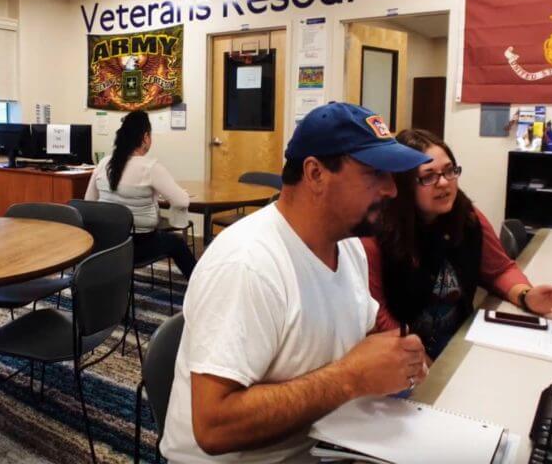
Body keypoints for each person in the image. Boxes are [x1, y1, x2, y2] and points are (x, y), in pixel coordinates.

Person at [159, 102, 431, 463]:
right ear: (316, 173)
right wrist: (351, 378)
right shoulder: (248, 264)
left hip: (322, 445)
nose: (391, 190)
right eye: (374, 173)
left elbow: (348, 339)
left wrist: (393, 359)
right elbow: (213, 427)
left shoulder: (349, 247)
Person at [364, 129, 552, 361]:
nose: (444, 183)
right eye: (428, 176)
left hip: (459, 340)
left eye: (449, 171)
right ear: (404, 184)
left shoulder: (466, 216)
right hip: (401, 352)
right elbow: (376, 315)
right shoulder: (377, 233)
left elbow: (499, 269)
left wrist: (526, 296)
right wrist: (418, 360)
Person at [84, 110, 196, 279]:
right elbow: (180, 201)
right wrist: (182, 194)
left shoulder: (104, 163)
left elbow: (89, 202)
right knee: (177, 242)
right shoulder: (150, 168)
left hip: (105, 243)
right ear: (145, 138)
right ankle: (200, 285)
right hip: (137, 245)